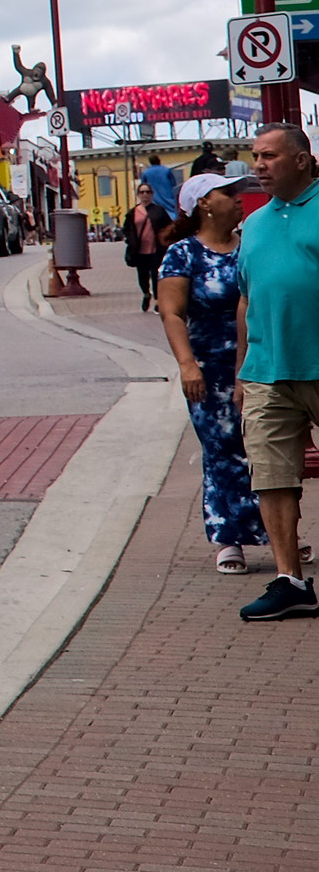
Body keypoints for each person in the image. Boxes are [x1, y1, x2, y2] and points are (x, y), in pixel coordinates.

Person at [156, 173, 267, 574]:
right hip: (209, 368)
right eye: (228, 193)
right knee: (222, 450)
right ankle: (230, 537)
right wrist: (187, 364)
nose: (239, 200)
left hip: (258, 360)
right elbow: (171, 312)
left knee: (267, 447)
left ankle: (273, 528)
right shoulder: (184, 254)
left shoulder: (251, 246)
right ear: (204, 203)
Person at [237, 126, 319, 620]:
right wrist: (240, 372)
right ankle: (290, 581)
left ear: (304, 160)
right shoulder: (256, 224)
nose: (259, 165)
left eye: (270, 156)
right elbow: (247, 299)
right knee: (271, 476)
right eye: (255, 156)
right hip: (267, 371)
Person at [121, 185, 168, 310]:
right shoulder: (133, 212)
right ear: (138, 194)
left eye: (147, 192)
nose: (145, 194)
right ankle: (146, 294)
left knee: (155, 274)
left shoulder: (159, 211)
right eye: (142, 192)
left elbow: (168, 227)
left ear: (152, 194)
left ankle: (158, 300)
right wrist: (131, 241)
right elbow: (126, 229)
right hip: (140, 250)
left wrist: (165, 242)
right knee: (142, 275)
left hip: (156, 249)